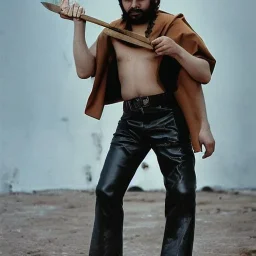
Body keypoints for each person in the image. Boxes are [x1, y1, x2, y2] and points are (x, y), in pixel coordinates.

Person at [60, 0, 216, 255]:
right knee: (106, 190)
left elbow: (203, 74)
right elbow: (84, 69)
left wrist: (177, 51)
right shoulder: (112, 31)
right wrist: (79, 26)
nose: (134, 3)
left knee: (183, 192)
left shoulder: (171, 26)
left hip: (168, 118)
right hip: (131, 122)